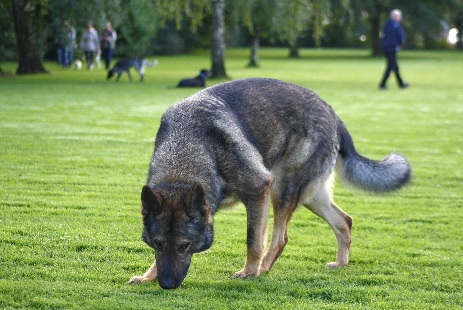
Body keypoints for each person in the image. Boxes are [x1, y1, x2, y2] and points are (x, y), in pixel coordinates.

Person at [379, 9, 409, 90]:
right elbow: (400, 37)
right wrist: (401, 44)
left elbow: (382, 34)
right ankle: (382, 84)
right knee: (390, 67)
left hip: (386, 48)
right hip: (392, 48)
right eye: (399, 16)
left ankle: (401, 84)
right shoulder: (396, 25)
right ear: (396, 16)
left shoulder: (386, 24)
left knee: (395, 67)